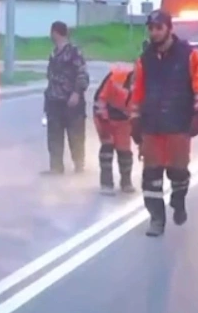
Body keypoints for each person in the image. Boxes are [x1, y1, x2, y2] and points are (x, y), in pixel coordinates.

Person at [129, 10, 198, 237]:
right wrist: (134, 120)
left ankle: (178, 200)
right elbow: (137, 92)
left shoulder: (189, 56)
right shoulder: (144, 59)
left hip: (178, 124)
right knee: (151, 177)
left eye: (159, 28)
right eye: (151, 28)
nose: (154, 33)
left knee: (178, 173)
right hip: (152, 126)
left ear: (169, 29)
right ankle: (156, 219)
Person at [43, 21, 89, 174]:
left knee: (75, 135)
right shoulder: (54, 53)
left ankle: (79, 166)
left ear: (55, 32)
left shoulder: (74, 52)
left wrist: (76, 93)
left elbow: (82, 74)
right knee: (54, 136)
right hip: (54, 101)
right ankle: (56, 167)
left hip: (71, 101)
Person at [92, 63, 137, 194]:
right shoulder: (116, 78)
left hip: (124, 119)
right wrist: (104, 121)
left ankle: (126, 182)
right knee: (107, 147)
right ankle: (106, 183)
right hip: (105, 114)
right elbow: (101, 99)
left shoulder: (147, 86)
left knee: (125, 151)